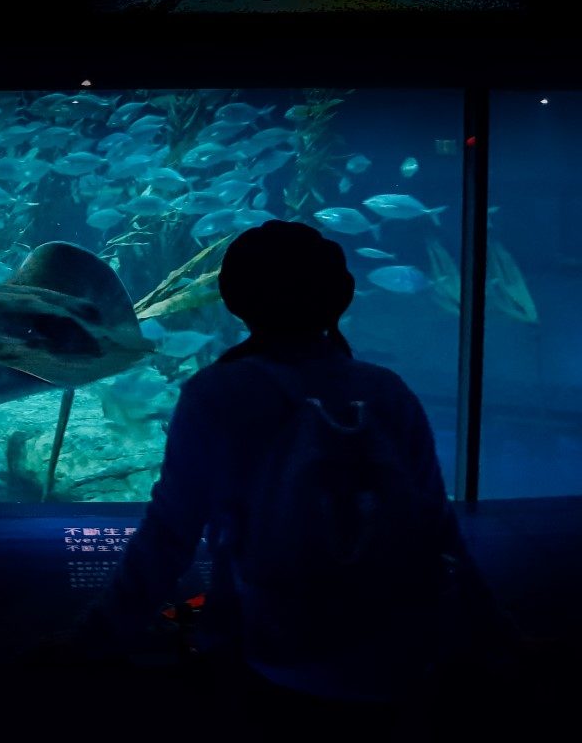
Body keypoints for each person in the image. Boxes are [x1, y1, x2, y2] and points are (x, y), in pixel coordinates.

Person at [60, 220, 520, 735]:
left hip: (270, 656)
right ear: (340, 297)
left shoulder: (218, 393)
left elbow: (169, 536)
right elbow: (439, 527)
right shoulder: (387, 391)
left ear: (235, 299)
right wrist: (492, 629)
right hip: (397, 659)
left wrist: (93, 640)